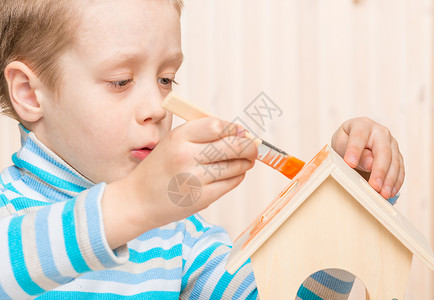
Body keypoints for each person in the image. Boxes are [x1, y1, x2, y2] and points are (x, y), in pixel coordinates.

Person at [0, 0, 404, 299]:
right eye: (121, 80)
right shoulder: (9, 212)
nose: (159, 108)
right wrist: (136, 204)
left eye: (166, 79)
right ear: (29, 92)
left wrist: (345, 204)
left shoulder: (180, 236)